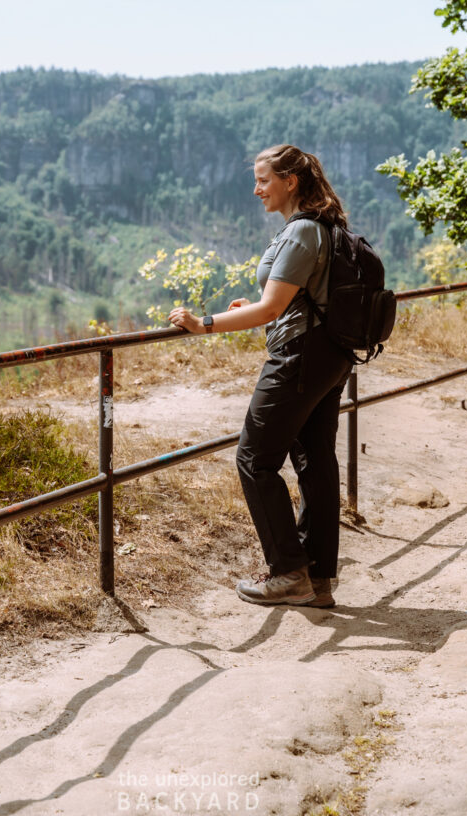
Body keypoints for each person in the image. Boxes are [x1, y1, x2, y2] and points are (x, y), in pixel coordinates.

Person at [168, 144, 353, 608]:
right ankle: (317, 577)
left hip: (300, 356)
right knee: (315, 461)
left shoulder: (300, 233)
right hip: (330, 355)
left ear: (290, 181)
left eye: (264, 180)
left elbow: (272, 307)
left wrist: (203, 323)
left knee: (254, 458)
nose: (257, 190)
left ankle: (289, 572)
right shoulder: (326, 228)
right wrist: (251, 310)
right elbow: (289, 300)